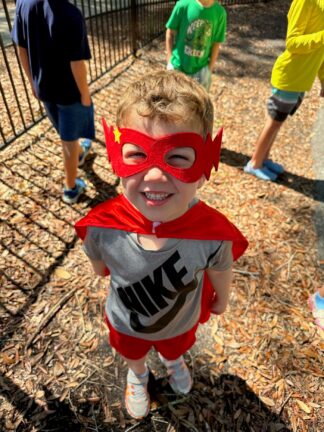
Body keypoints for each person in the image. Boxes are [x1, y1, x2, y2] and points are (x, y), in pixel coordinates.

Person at [74, 71, 248, 419]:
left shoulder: (212, 233)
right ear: (116, 158)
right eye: (137, 156)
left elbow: (221, 267)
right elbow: (100, 266)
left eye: (179, 158)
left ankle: (173, 361)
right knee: (132, 352)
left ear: (203, 168)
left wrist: (222, 299)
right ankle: (138, 375)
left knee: (175, 346)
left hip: (179, 324)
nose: (154, 176)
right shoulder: (102, 228)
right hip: (126, 323)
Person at [12, 0, 95, 203]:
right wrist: (85, 95)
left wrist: (32, 81)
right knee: (68, 139)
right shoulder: (71, 14)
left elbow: (21, 46)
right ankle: (71, 188)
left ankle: (79, 154)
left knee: (66, 133)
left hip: (44, 89)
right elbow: (77, 64)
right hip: (70, 93)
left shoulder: (24, 3)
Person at [244, 0, 324, 181]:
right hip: (289, 76)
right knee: (274, 121)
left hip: (301, 79)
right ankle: (255, 163)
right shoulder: (305, 1)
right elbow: (293, 42)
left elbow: (322, 52)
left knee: (277, 122)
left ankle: (263, 158)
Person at [165, 0, 227, 91]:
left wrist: (209, 69)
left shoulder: (220, 13)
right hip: (177, 67)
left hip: (201, 71)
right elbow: (170, 32)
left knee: (199, 104)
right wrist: (169, 61)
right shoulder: (183, 5)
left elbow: (216, 43)